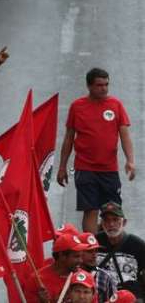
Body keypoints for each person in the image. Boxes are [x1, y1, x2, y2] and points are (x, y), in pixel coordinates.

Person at [57, 68, 134, 232]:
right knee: (91, 210)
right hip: (85, 168)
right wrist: (62, 167)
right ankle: (91, 246)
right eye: (99, 85)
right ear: (89, 86)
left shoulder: (116, 105)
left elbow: (125, 135)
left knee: (112, 212)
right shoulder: (77, 107)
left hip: (109, 169)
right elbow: (69, 138)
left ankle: (107, 242)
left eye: (106, 84)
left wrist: (130, 161)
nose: (104, 88)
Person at [95, 202, 145, 299]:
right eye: (106, 220)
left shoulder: (138, 245)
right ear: (102, 223)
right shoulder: (94, 242)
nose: (111, 224)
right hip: (101, 296)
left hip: (130, 297)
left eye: (115, 219)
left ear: (124, 222)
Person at [23, 232, 87, 301]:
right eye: (76, 256)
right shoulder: (36, 280)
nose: (81, 261)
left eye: (81, 256)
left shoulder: (85, 277)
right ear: (62, 255)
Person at [79, 232, 115, 301]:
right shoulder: (69, 274)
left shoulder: (105, 277)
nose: (94, 255)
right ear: (79, 251)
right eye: (89, 251)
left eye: (96, 251)